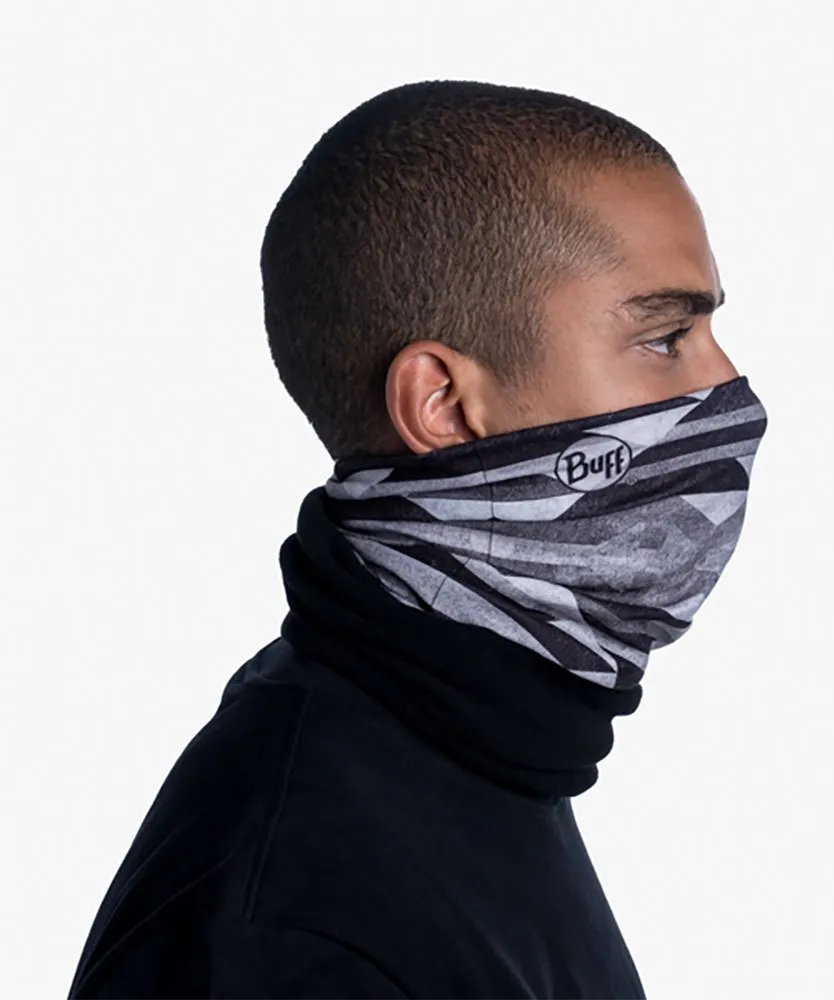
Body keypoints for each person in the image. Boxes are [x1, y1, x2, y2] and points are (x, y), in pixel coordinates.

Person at [68, 79, 768, 999]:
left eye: (710, 330)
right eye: (666, 337)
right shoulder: (286, 933)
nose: (729, 388)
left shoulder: (474, 741)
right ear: (442, 403)